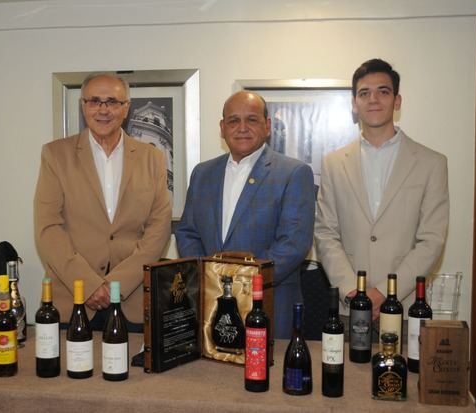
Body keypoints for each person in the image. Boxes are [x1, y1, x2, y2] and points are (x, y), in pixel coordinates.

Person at [34, 73, 172, 332]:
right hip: (71, 300)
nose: (103, 110)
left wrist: (114, 286)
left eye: (113, 102)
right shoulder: (55, 155)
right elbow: (48, 229)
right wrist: (88, 284)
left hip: (132, 302)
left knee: (133, 373)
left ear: (126, 108)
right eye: (95, 101)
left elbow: (159, 230)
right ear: (83, 105)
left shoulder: (152, 159)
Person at [315, 58, 449, 320]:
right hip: (350, 307)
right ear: (355, 104)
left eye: (383, 91)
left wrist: (388, 291)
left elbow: (432, 240)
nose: (373, 99)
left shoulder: (432, 163)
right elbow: (325, 233)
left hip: (407, 306)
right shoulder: (333, 163)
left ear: (397, 101)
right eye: (364, 93)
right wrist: (354, 292)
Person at [175, 91, 316, 339]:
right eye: (233, 121)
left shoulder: (294, 173)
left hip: (270, 302)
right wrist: (210, 279)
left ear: (267, 126)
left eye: (251, 120)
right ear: (222, 127)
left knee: (267, 376)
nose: (242, 128)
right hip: (212, 301)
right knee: (208, 375)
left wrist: (240, 282)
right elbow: (188, 232)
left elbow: (294, 244)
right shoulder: (202, 173)